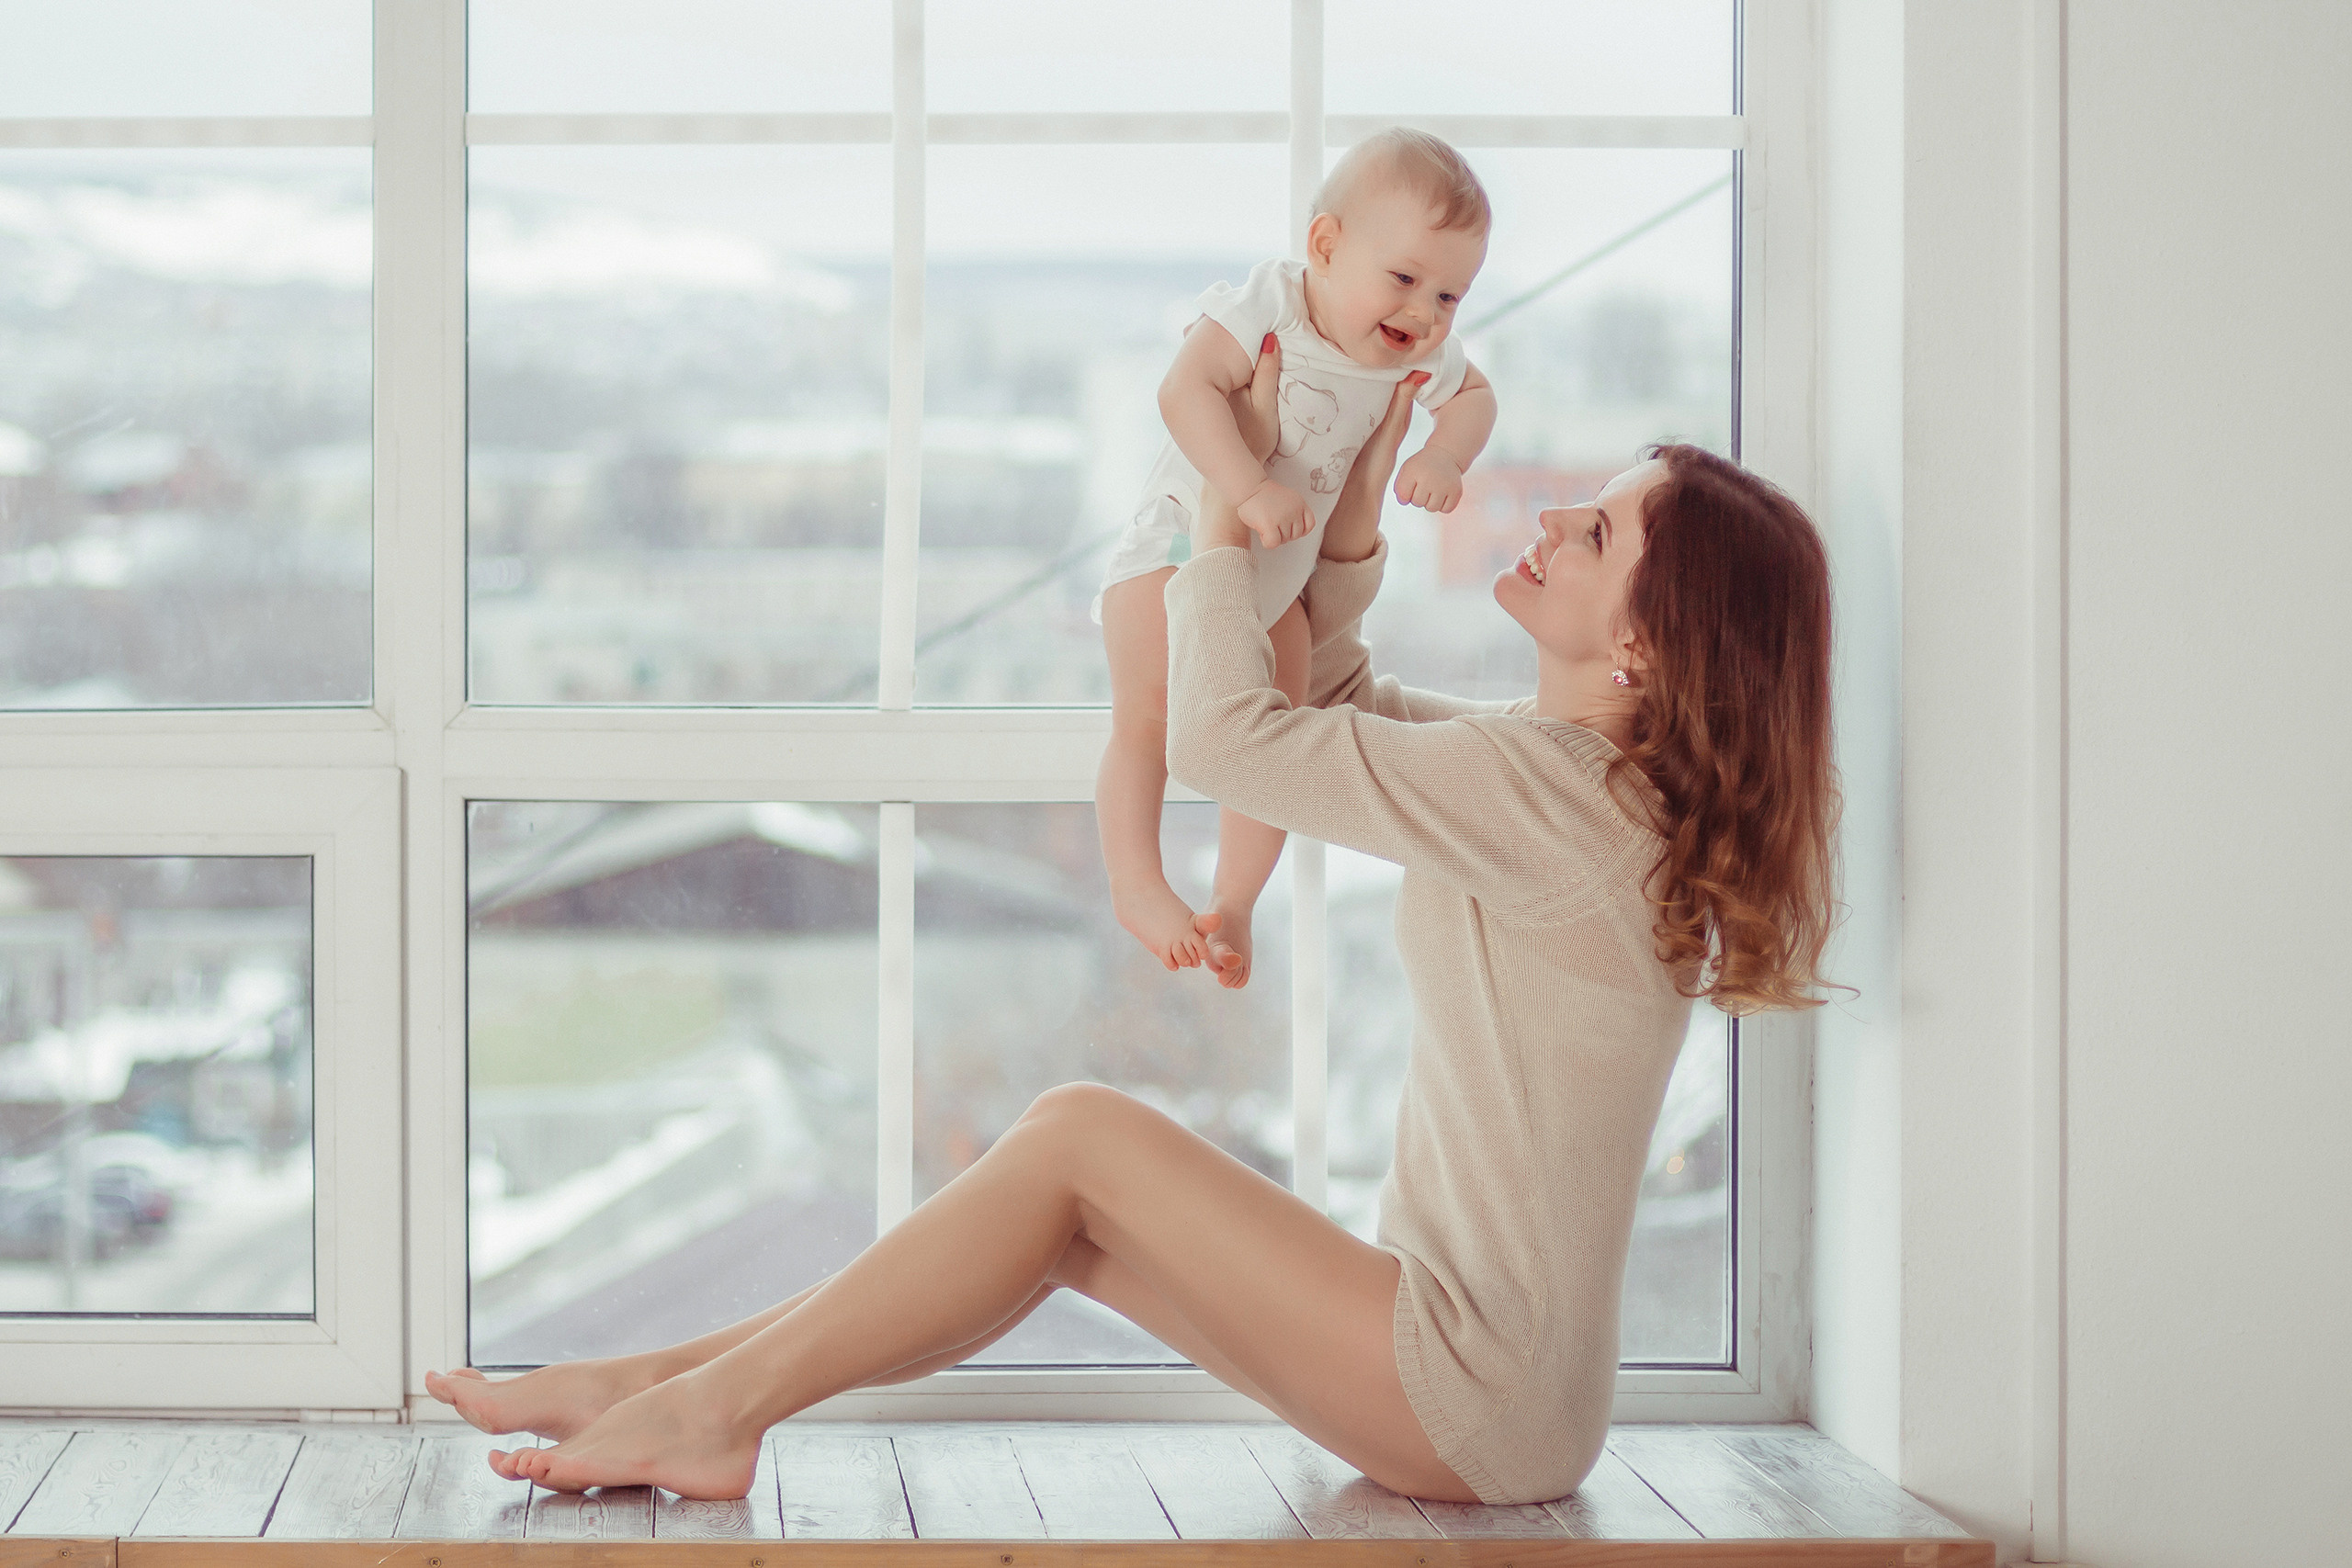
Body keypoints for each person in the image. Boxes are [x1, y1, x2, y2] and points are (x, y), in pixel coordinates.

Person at [424, 333, 1839, 1508]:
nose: (1546, 519)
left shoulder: (1554, 796)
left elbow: (1233, 740)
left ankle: (704, 1410)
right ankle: (658, 1389)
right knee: (1063, 1221)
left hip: (1471, 1384)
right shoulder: (1569, 785)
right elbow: (1334, 703)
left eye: (1592, 531)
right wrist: (1329, 498)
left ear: (1647, 642)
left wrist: (1226, 518)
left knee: (1084, 1130)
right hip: (1494, 1386)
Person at [1092, 128, 1498, 987]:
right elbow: (1183, 389)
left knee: (1273, 735)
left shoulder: (1416, 353)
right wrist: (1244, 487)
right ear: (1324, 246)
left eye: (1451, 297)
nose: (1426, 313)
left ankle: (1234, 900)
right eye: (1405, 279)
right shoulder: (1269, 305)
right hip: (1175, 549)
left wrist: (1443, 456)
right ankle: (1135, 881)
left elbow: (1476, 396)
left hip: (1279, 589)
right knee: (1152, 720)